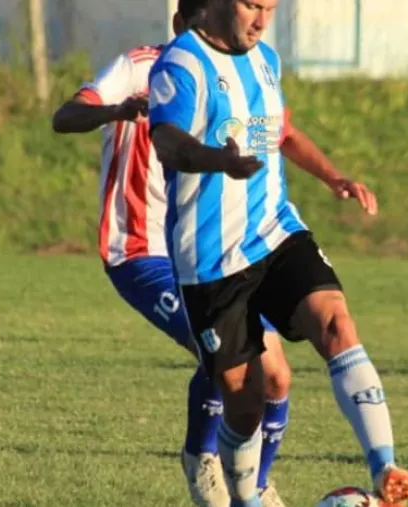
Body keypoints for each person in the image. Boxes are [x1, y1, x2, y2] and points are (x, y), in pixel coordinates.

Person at [147, 0, 408, 505]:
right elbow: (168, 144)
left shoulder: (265, 59)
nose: (262, 19)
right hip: (211, 259)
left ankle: (384, 465)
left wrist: (334, 175)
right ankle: (247, 498)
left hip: (274, 230)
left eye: (270, 7)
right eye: (252, 5)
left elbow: (281, 131)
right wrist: (218, 161)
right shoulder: (180, 64)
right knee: (246, 400)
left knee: (336, 322)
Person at [51, 1, 292, 506]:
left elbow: (279, 134)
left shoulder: (233, 72)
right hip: (140, 251)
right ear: (183, 23)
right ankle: (201, 459)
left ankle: (259, 486)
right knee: (223, 355)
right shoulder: (139, 67)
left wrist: (331, 176)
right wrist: (116, 110)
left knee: (274, 372)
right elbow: (65, 116)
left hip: (211, 247)